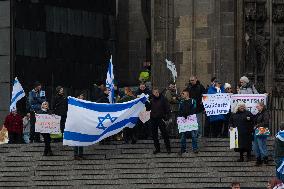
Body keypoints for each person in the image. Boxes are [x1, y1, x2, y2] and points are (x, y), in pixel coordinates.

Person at [147, 88, 171, 154]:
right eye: (155, 92)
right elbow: (148, 108)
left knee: (165, 134)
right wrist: (147, 102)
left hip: (161, 118)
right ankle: (157, 149)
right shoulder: (151, 100)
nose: (156, 93)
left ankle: (168, 148)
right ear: (153, 93)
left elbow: (167, 108)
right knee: (154, 135)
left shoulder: (163, 99)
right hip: (153, 119)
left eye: (157, 92)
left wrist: (167, 117)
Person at [178, 90, 198, 154]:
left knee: (193, 135)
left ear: (187, 94)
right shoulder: (181, 102)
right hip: (184, 120)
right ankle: (183, 149)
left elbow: (194, 109)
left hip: (191, 120)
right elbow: (180, 110)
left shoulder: (193, 100)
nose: (182, 95)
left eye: (183, 93)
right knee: (183, 135)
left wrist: (187, 114)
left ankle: (195, 148)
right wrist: (183, 115)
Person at [74, 92, 86, 160]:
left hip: (82, 123)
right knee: (76, 140)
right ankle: (76, 155)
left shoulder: (83, 104)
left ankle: (81, 154)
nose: (82, 97)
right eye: (81, 95)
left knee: (81, 140)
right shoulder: (74, 104)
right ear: (78, 97)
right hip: (76, 124)